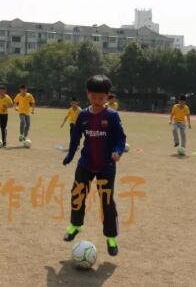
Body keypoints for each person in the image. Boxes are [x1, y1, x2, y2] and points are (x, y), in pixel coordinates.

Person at [62, 75, 126, 257]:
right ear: (88, 94)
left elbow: (121, 139)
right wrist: (70, 155)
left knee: (107, 201)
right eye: (93, 97)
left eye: (101, 97)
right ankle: (75, 225)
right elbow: (75, 138)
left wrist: (118, 151)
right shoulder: (83, 115)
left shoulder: (112, 116)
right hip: (86, 163)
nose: (97, 101)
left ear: (107, 97)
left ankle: (111, 238)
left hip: (106, 166)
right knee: (77, 194)